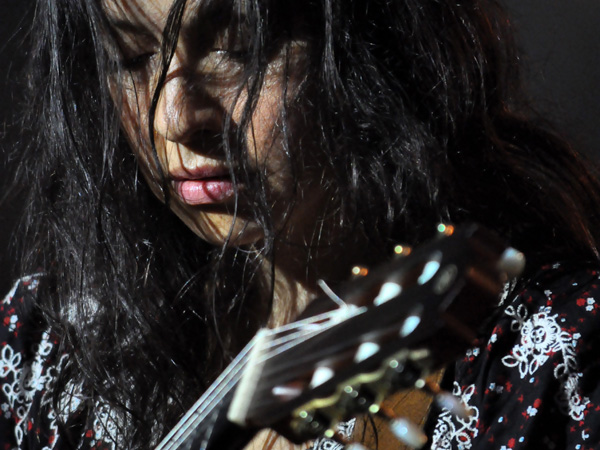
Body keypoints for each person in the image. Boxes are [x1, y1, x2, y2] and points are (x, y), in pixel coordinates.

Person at [2, 0, 600, 448]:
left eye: (238, 48)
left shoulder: (556, 357)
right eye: (131, 58)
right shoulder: (49, 340)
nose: (174, 118)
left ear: (379, 46)